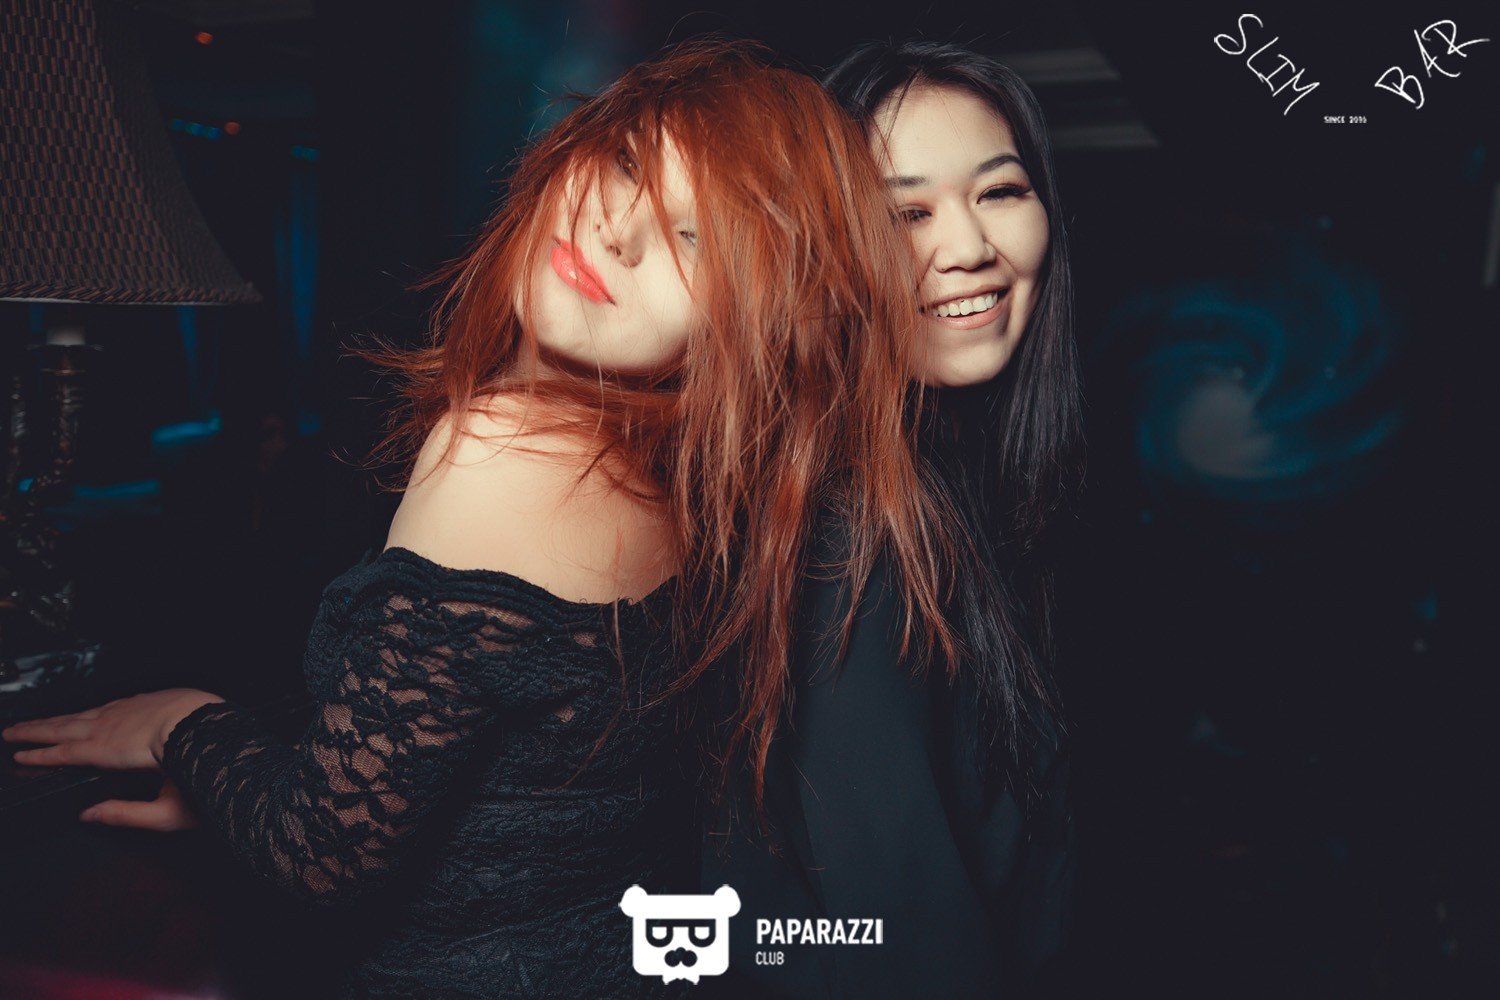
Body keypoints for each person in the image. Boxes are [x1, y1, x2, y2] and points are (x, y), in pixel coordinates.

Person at [2, 39, 961, 998]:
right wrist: (238, 789)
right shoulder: (678, 477)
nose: (618, 229)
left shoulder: (509, 449)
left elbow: (321, 853)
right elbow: (511, 781)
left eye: (696, 237)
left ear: (758, 316)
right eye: (626, 162)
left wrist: (184, 724)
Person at [700, 41, 1086, 998]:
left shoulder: (956, 487)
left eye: (1000, 191)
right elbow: (896, 945)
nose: (967, 248)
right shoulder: (847, 536)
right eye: (904, 213)